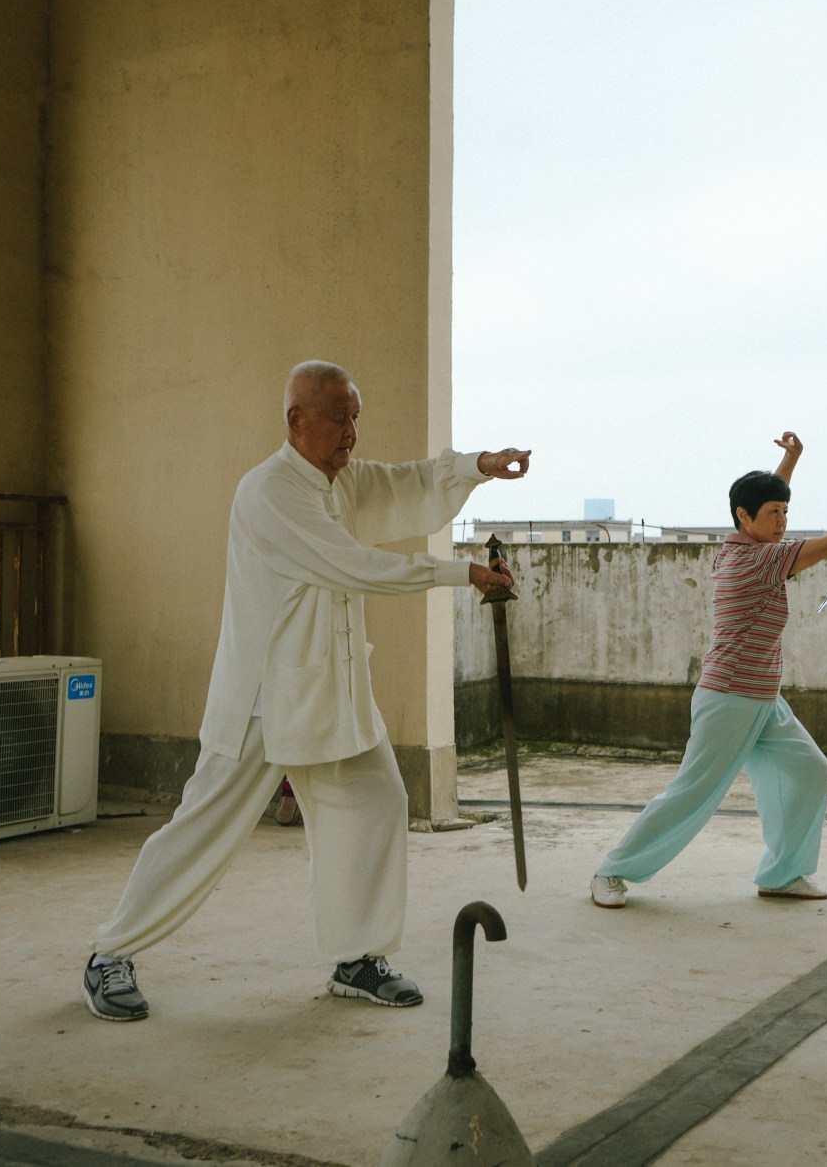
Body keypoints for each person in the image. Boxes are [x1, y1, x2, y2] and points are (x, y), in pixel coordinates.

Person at [81, 360, 530, 1021]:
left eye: (356, 416)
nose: (352, 431)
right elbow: (353, 564)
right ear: (296, 420)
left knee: (378, 800)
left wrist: (476, 465)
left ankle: (357, 957)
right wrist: (461, 574)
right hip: (266, 698)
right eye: (340, 417)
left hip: (332, 690)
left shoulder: (341, 481)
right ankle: (109, 952)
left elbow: (405, 485)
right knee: (202, 828)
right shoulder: (268, 493)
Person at [588, 432, 827, 909]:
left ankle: (782, 875)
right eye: (773, 514)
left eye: (786, 512)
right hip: (729, 698)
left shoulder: (745, 540)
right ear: (744, 518)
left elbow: (766, 495)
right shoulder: (757, 559)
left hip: (763, 699)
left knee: (809, 771)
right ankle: (610, 871)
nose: (782, 522)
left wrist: (790, 459)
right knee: (691, 794)